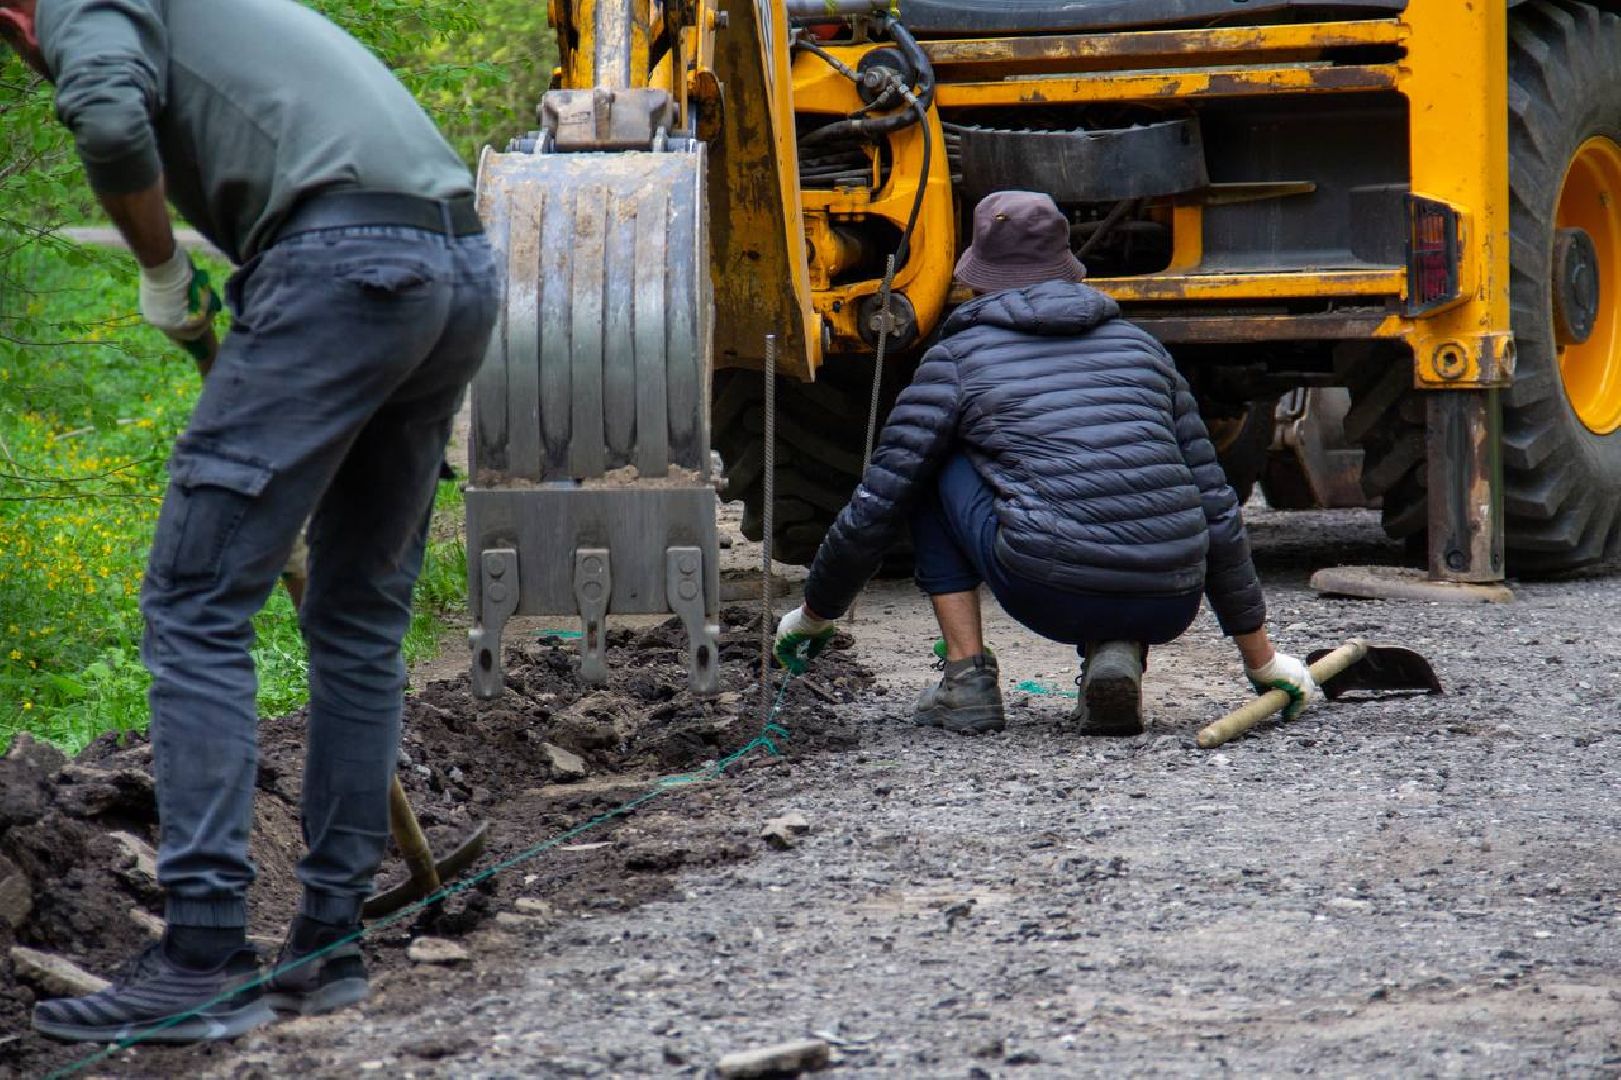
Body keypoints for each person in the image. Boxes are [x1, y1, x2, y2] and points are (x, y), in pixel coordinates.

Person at [1, 0, 499, 1043]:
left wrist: (161, 266)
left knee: (194, 601)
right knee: (359, 621)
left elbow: (102, 112)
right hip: (453, 264)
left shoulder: (82, 2)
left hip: (343, 266)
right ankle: (324, 949)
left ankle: (201, 956)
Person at [774, 191, 1320, 737]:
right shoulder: (1144, 350)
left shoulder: (957, 360)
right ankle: (1116, 649)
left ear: (979, 277)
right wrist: (1264, 660)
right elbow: (1217, 508)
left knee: (926, 467)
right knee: (1124, 480)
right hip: (1171, 599)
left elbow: (880, 502)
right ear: (1066, 270)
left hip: (1049, 589)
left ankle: (966, 681)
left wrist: (813, 615)